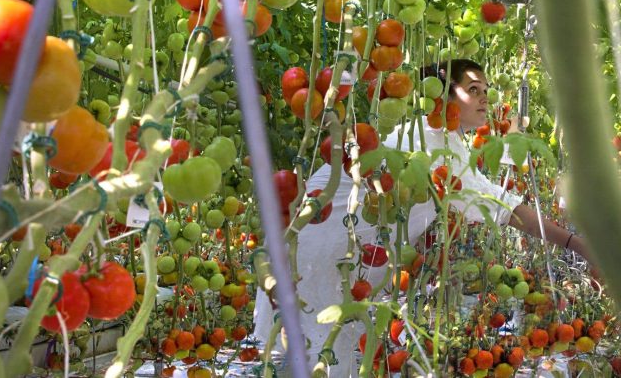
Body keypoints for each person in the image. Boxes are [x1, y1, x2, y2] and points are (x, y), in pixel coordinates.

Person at [253, 59, 591, 376]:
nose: (484, 98)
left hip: (324, 256)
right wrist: (579, 245)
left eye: (486, 91)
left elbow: (479, 181)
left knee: (318, 353)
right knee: (318, 357)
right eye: (473, 90)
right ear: (443, 96)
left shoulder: (432, 138)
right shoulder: (430, 141)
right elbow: (510, 210)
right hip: (317, 256)